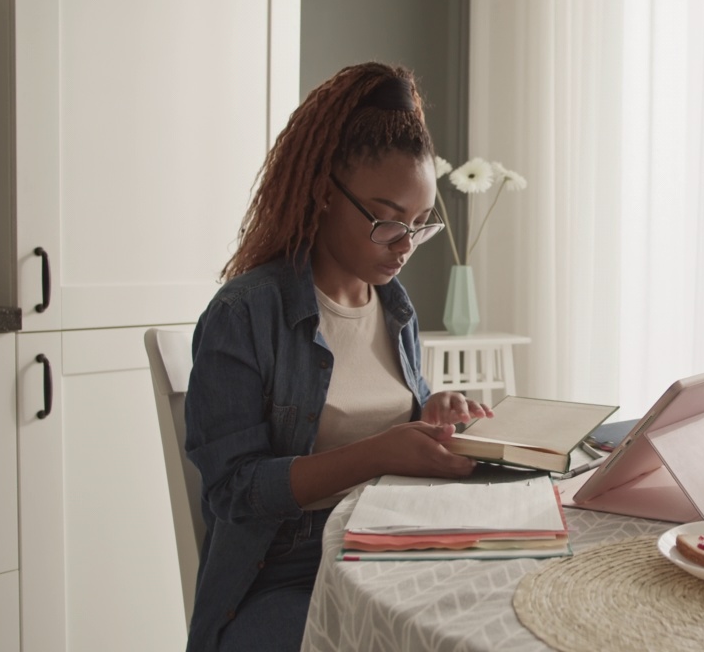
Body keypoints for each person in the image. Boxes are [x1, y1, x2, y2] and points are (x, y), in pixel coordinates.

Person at [184, 62, 491, 652]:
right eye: (386, 220)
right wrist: (377, 453)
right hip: (281, 576)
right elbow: (233, 491)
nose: (404, 246)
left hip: (385, 546)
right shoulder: (246, 313)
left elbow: (379, 416)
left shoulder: (393, 305)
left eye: (420, 225)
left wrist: (431, 412)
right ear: (324, 192)